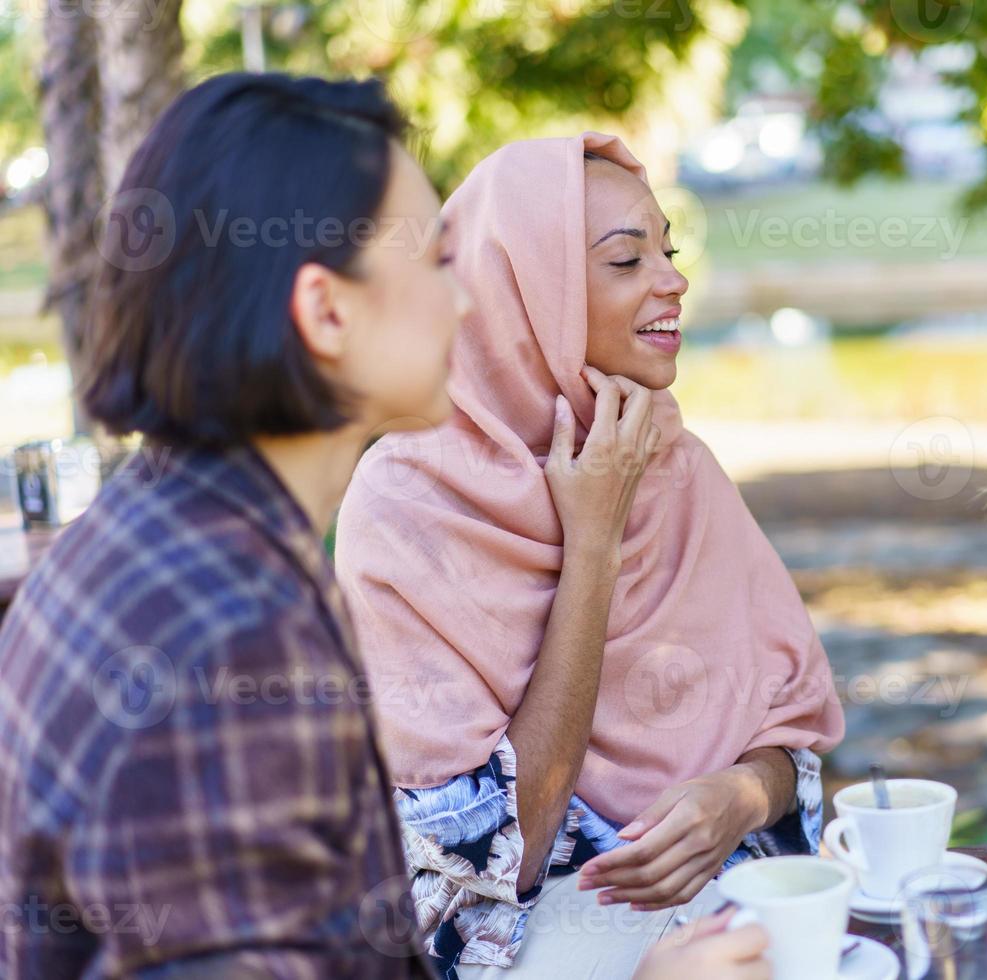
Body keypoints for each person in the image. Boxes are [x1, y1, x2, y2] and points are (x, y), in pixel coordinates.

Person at [332, 133, 844, 976]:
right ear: (524, 293)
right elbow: (506, 856)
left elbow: (790, 742)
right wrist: (593, 545)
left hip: (725, 912)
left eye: (669, 252)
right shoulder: (406, 505)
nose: (674, 281)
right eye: (625, 260)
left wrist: (739, 794)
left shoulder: (677, 467)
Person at [0, 73, 469, 976]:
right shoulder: (233, 637)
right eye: (439, 261)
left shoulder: (148, 533)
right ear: (326, 310)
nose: (467, 301)